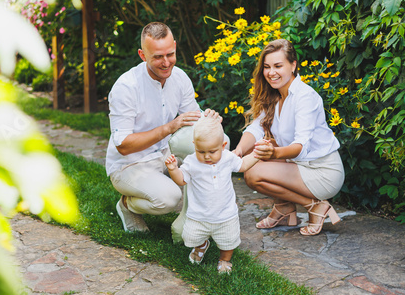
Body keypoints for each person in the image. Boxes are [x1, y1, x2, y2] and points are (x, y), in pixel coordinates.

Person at [105, 22, 219, 233]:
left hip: (164, 154)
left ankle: (194, 224)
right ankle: (126, 205)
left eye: (170, 54)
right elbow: (123, 146)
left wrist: (209, 120)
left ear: (175, 46)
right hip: (129, 164)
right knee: (169, 199)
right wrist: (170, 127)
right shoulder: (126, 87)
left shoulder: (180, 77)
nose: (166, 62)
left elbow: (194, 120)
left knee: (212, 154)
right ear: (142, 54)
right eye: (158, 57)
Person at [233, 39, 345, 236]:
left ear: (293, 65)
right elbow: (256, 127)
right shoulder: (274, 95)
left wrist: (273, 153)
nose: (271, 72)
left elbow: (300, 145)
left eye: (278, 66)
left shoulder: (304, 97)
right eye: (267, 67)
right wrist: (238, 151)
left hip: (323, 172)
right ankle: (285, 210)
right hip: (301, 166)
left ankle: (315, 206)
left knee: (252, 173)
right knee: (252, 151)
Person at [165, 115, 262, 274]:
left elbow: (243, 165)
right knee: (190, 237)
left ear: (223, 146)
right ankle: (201, 245)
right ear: (194, 145)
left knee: (228, 242)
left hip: (225, 215)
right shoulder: (191, 162)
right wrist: (173, 169)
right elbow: (181, 180)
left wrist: (257, 154)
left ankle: (224, 260)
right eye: (201, 151)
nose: (207, 156)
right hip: (198, 215)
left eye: (212, 151)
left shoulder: (228, 158)